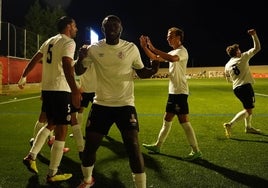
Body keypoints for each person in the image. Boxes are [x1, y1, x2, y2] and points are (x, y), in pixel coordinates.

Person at [74, 15, 160, 188]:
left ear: (121, 29)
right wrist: (80, 57)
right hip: (101, 105)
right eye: (108, 25)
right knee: (90, 147)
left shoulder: (131, 48)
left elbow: (141, 72)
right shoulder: (94, 48)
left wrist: (153, 69)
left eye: (115, 25)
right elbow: (79, 70)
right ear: (102, 29)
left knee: (134, 147)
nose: (112, 28)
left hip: (125, 106)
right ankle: (87, 180)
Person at [18, 16, 81, 183]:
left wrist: (24, 75)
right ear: (68, 26)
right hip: (61, 90)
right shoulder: (69, 43)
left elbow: (35, 59)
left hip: (47, 89)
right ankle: (52, 174)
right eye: (74, 26)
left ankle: (31, 156)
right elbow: (67, 65)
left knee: (51, 123)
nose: (76, 29)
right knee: (61, 131)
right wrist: (75, 90)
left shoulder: (50, 41)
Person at [140, 27, 202, 161]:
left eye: (170, 36)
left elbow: (173, 59)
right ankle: (157, 146)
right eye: (168, 36)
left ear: (178, 38)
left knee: (183, 121)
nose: (168, 38)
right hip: (173, 92)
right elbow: (155, 58)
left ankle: (196, 150)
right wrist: (146, 47)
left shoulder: (182, 51)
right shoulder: (173, 51)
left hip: (180, 92)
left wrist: (155, 48)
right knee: (167, 119)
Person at [223, 29, 261, 138]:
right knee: (248, 110)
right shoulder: (243, 57)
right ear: (237, 52)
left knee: (248, 108)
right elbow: (257, 48)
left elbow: (228, 80)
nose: (240, 50)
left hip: (236, 89)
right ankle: (230, 124)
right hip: (245, 87)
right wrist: (254, 35)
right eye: (239, 49)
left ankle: (248, 127)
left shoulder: (227, 65)